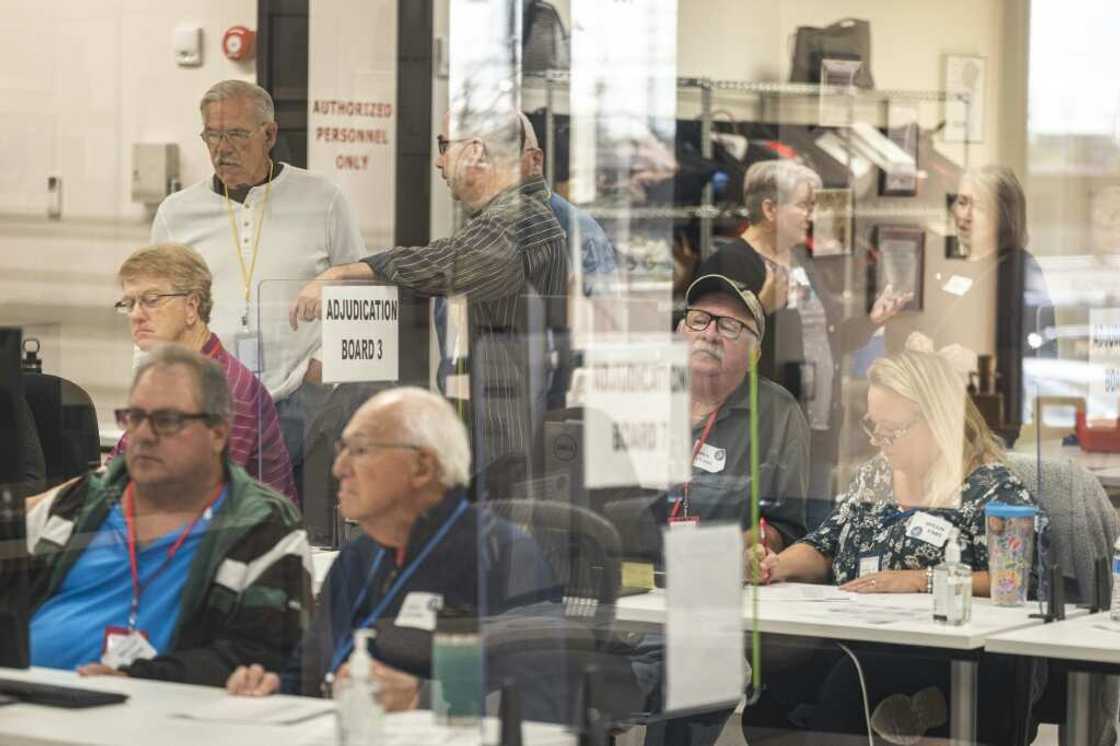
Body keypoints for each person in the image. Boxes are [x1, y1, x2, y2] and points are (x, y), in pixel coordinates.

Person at [745, 337, 1040, 742]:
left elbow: (1020, 582)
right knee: (771, 695)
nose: (878, 440)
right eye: (873, 426)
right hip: (854, 636)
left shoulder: (990, 489)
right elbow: (825, 543)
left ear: (938, 419)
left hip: (939, 653)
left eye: (892, 430)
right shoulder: (875, 476)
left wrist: (921, 580)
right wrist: (778, 564)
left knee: (845, 690)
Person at [225, 387, 560, 713]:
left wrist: (424, 698)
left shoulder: (506, 554)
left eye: (360, 450)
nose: (339, 467)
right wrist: (270, 688)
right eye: (342, 449)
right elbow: (310, 675)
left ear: (422, 467)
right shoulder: (355, 560)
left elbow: (542, 699)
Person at [290, 109, 568, 498]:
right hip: (497, 442)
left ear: (474, 151)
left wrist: (346, 273)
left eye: (443, 146)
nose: (438, 160)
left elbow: (450, 265)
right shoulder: (508, 219)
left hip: (508, 450)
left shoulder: (520, 220)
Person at [25, 345, 310, 686]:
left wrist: (134, 678)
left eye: (167, 421)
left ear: (218, 433)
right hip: (23, 706)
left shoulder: (264, 526)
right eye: (135, 418)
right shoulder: (79, 503)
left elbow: (263, 656)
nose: (143, 435)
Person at [149, 79, 366, 491]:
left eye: (235, 134)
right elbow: (153, 306)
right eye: (212, 134)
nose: (221, 148)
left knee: (287, 524)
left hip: (300, 401)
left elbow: (359, 289)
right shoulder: (177, 213)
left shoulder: (323, 199)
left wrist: (322, 371)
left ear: (269, 134)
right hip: (208, 402)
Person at [637, 269, 811, 746]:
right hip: (628, 590)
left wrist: (740, 550)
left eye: (729, 325)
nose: (709, 332)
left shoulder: (776, 414)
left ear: (754, 352)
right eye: (698, 319)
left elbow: (785, 528)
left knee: (671, 667)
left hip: (711, 601)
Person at [734, 159, 911, 528]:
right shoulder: (733, 261)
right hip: (765, 437)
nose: (810, 215)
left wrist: (871, 323)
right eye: (803, 204)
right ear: (769, 209)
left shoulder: (799, 261)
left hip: (815, 429)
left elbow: (826, 339)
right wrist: (762, 307)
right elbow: (719, 348)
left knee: (812, 533)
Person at [109, 243, 296, 500]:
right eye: (129, 303)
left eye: (151, 300)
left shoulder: (227, 388)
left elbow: (193, 499)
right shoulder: (168, 379)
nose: (136, 315)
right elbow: (115, 470)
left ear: (191, 307)